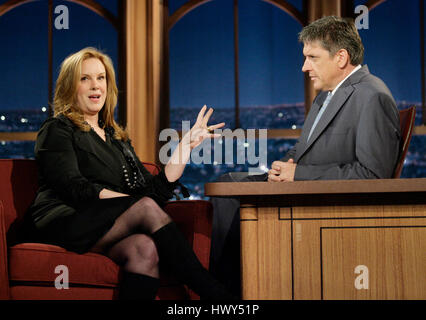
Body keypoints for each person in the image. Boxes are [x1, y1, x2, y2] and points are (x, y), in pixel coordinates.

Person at [209, 16, 401, 297]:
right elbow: (304, 149)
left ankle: (222, 295)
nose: (304, 67)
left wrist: (298, 174)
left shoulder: (372, 96)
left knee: (228, 193)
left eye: (312, 57)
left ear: (341, 57)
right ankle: (229, 290)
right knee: (227, 184)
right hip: (304, 188)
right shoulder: (326, 96)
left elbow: (372, 176)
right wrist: (286, 165)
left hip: (327, 206)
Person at [22, 47, 234, 300]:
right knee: (144, 207)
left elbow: (153, 192)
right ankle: (216, 295)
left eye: (101, 78)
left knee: (144, 249)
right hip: (64, 220)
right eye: (84, 78)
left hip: (106, 223)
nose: (95, 86)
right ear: (70, 86)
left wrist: (185, 146)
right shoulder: (57, 128)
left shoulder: (117, 138)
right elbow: (73, 187)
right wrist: (131, 205)